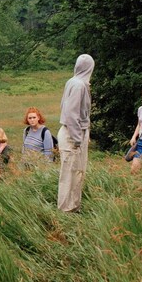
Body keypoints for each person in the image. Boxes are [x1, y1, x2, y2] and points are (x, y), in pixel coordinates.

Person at [57, 54, 94, 213]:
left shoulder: (75, 83)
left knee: (77, 173)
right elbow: (71, 114)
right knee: (69, 176)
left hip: (74, 133)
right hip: (72, 135)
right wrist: (78, 139)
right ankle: (66, 211)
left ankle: (74, 208)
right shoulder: (78, 85)